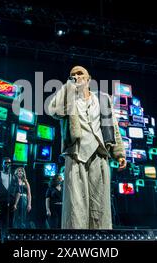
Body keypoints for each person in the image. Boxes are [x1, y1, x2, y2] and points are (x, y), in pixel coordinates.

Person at [47, 65, 127, 229]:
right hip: (76, 155)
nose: (77, 76)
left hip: (99, 153)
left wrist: (119, 153)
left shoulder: (103, 99)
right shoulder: (69, 99)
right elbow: (53, 110)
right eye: (73, 75)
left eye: (80, 73)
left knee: (99, 204)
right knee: (76, 205)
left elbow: (113, 127)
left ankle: (99, 244)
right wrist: (67, 87)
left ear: (88, 78)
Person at [0, 157, 19, 229]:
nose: (7, 164)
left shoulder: (14, 177)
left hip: (11, 205)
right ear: (2, 164)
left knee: (10, 225)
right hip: (0, 204)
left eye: (9, 163)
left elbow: (18, 192)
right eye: (5, 163)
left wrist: (15, 204)